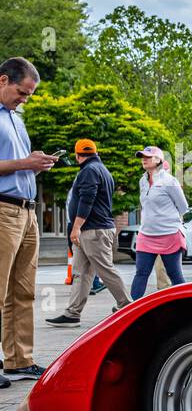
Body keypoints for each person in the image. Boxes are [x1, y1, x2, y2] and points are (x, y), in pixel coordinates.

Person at [0, 56, 56, 386]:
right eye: (22, 92)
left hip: (27, 211)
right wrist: (25, 162)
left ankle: (18, 360)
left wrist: (36, 164)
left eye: (30, 95)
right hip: (3, 209)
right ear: (3, 80)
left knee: (23, 290)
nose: (25, 99)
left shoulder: (16, 119)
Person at [45, 140, 130, 327]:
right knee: (81, 273)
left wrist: (75, 228)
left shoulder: (89, 171)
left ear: (77, 155)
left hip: (94, 231)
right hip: (92, 230)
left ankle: (127, 306)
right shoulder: (102, 170)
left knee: (105, 269)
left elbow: (87, 200)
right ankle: (72, 314)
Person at [130, 146, 187, 300]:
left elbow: (183, 206)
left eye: (148, 156)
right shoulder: (142, 180)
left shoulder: (169, 181)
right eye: (142, 156)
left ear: (158, 160)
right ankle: (129, 309)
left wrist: (167, 219)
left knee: (174, 274)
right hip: (146, 235)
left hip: (169, 234)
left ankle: (188, 306)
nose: (144, 159)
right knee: (141, 273)